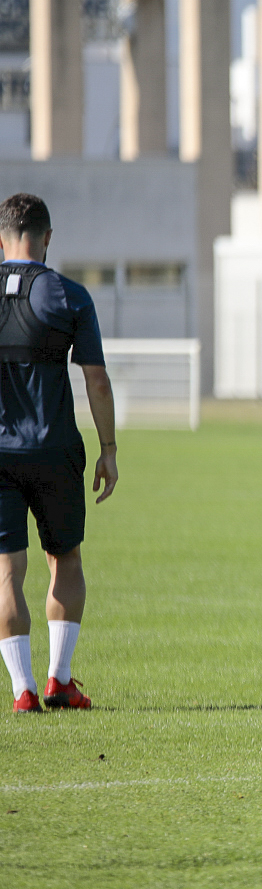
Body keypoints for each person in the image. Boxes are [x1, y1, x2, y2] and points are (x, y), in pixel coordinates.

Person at [0, 193, 117, 714]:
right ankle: (59, 680)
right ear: (47, 238)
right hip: (55, 450)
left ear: (2, 239)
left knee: (7, 570)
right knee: (64, 559)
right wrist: (108, 450)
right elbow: (97, 381)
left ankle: (22, 690)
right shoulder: (69, 296)